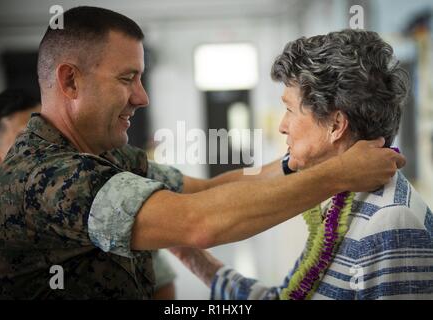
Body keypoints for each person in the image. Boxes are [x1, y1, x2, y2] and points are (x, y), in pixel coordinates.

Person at [0, 7, 404, 299]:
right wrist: (339, 174)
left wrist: (298, 163)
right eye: (127, 78)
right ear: (70, 82)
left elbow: (205, 190)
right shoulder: (44, 177)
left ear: (337, 123)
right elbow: (199, 223)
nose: (142, 97)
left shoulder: (106, 155)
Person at [170, 29, 433, 300]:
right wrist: (193, 259)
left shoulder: (390, 219)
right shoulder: (344, 199)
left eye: (290, 110)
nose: (282, 126)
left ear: (336, 125)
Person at [0, 89, 177, 299]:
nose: (42, 147)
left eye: (46, 133)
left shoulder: (91, 186)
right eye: (24, 140)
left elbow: (159, 280)